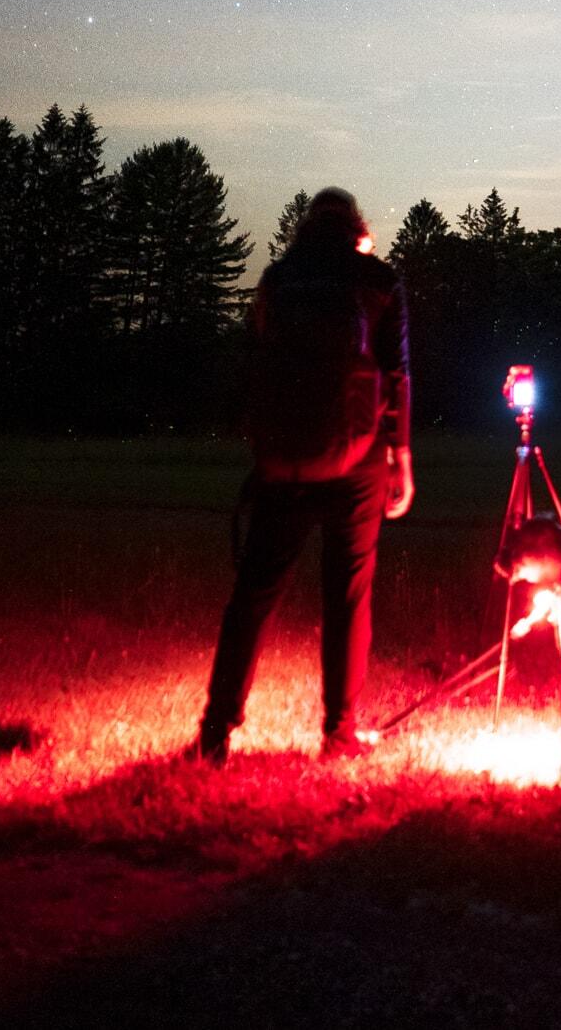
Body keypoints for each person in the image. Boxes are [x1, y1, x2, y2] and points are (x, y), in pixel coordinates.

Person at [196, 185, 413, 761]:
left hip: (284, 459)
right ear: (357, 227)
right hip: (358, 455)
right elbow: (397, 374)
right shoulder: (378, 279)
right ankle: (339, 733)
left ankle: (216, 731)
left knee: (255, 592)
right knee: (348, 595)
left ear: (307, 226)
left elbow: (258, 361)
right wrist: (402, 456)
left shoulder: (278, 278)